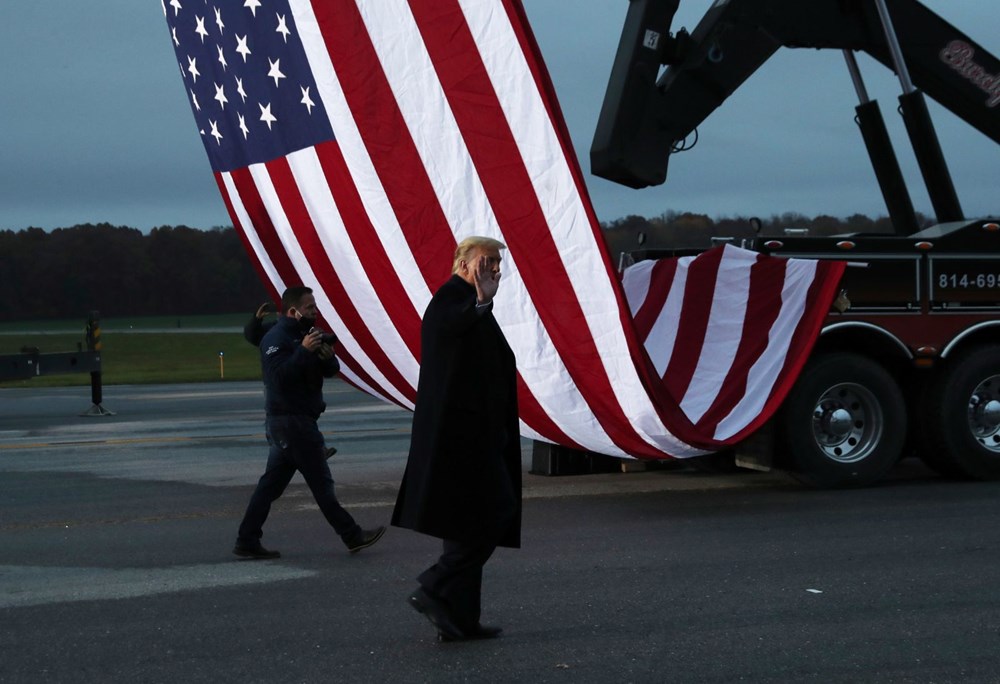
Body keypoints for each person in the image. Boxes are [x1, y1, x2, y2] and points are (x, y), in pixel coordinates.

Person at [392, 236, 522, 642]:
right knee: (494, 515)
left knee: (467, 525)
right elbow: (450, 327)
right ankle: (434, 585)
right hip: (462, 439)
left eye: (499, 262)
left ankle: (459, 618)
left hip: (478, 434)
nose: (496, 268)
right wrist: (481, 303)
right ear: (464, 264)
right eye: (488, 261)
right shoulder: (452, 300)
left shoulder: (468, 301)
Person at [233, 286, 385, 559]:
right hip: (291, 423)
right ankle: (352, 536)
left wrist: (329, 361)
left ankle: (247, 540)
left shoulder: (303, 336)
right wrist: (303, 351)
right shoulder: (276, 339)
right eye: (310, 308)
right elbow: (279, 377)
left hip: (295, 423)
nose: (315, 312)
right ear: (293, 311)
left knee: (269, 487)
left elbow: (324, 370)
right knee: (321, 484)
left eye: (315, 307)